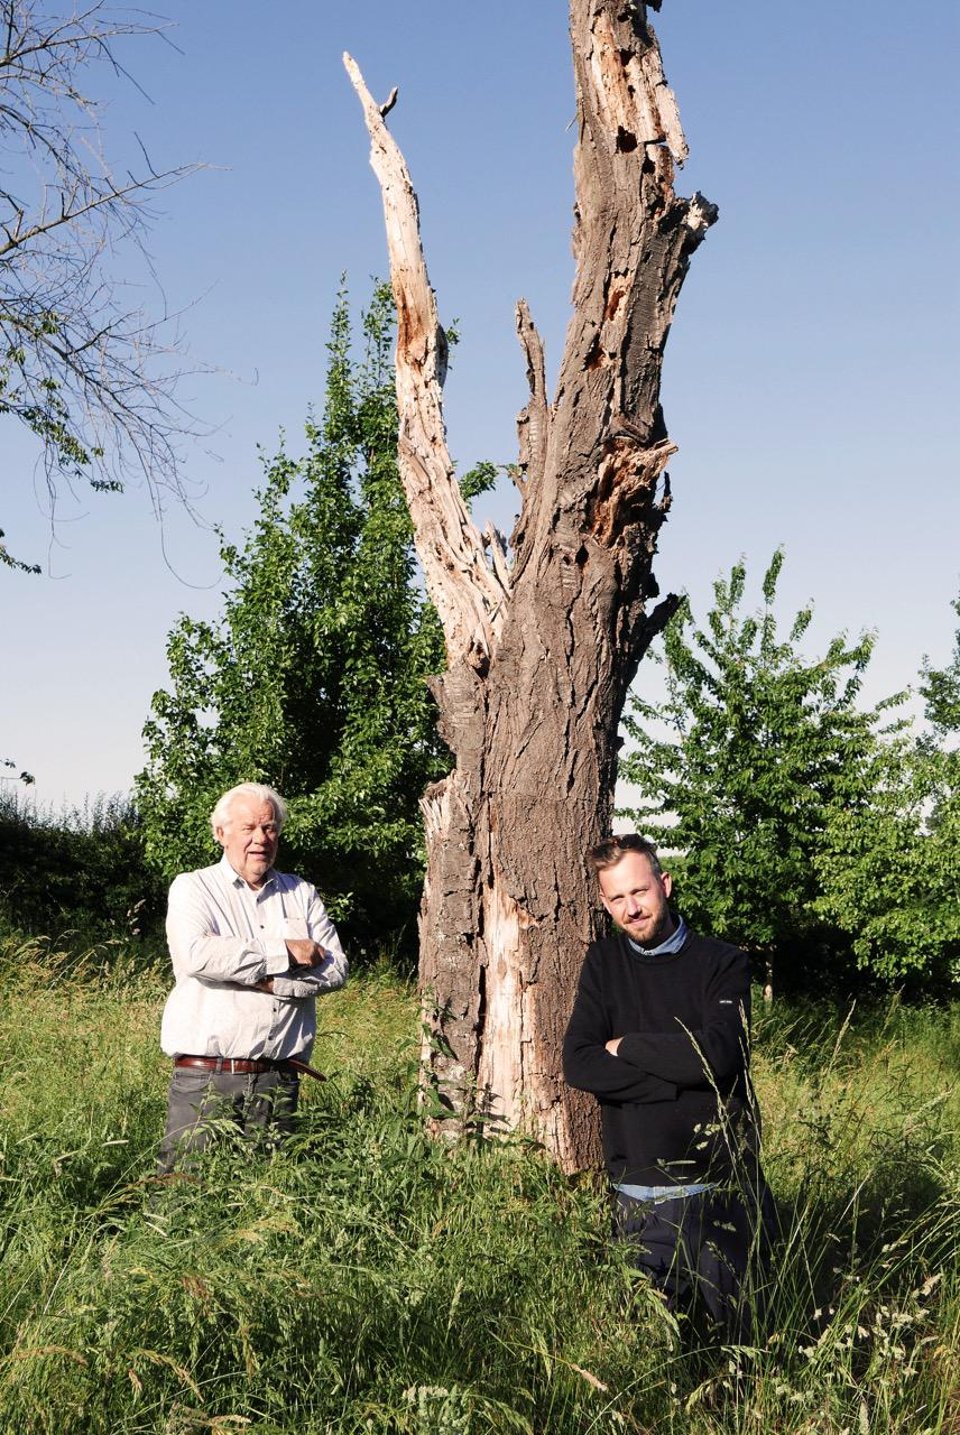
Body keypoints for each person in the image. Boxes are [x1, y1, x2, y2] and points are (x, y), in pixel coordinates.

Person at [563, 834, 772, 1338]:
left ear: (665, 884)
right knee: (656, 1355)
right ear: (605, 903)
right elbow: (580, 1064)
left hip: (721, 1191)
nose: (631, 909)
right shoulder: (603, 965)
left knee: (747, 1347)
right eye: (617, 898)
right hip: (638, 1198)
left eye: (640, 892)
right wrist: (681, 1081)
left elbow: (720, 1055)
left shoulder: (722, 962)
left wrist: (627, 1045)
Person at [158, 782, 347, 1171]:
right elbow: (198, 955)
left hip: (279, 1080)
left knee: (269, 1192)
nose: (261, 838)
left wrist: (270, 982)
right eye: (248, 828)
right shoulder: (194, 887)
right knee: (186, 1190)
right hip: (207, 1078)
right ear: (220, 833)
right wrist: (287, 952)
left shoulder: (301, 892)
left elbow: (335, 969)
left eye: (269, 827)